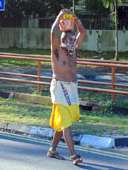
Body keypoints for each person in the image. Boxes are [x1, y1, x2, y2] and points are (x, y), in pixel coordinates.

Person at [47, 9, 86, 165]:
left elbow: (83, 32)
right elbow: (53, 32)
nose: (72, 42)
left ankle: (52, 150)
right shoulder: (57, 51)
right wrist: (60, 16)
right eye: (69, 40)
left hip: (71, 88)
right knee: (66, 123)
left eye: (73, 39)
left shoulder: (73, 50)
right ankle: (73, 155)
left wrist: (75, 18)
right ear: (63, 41)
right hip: (59, 87)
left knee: (64, 121)